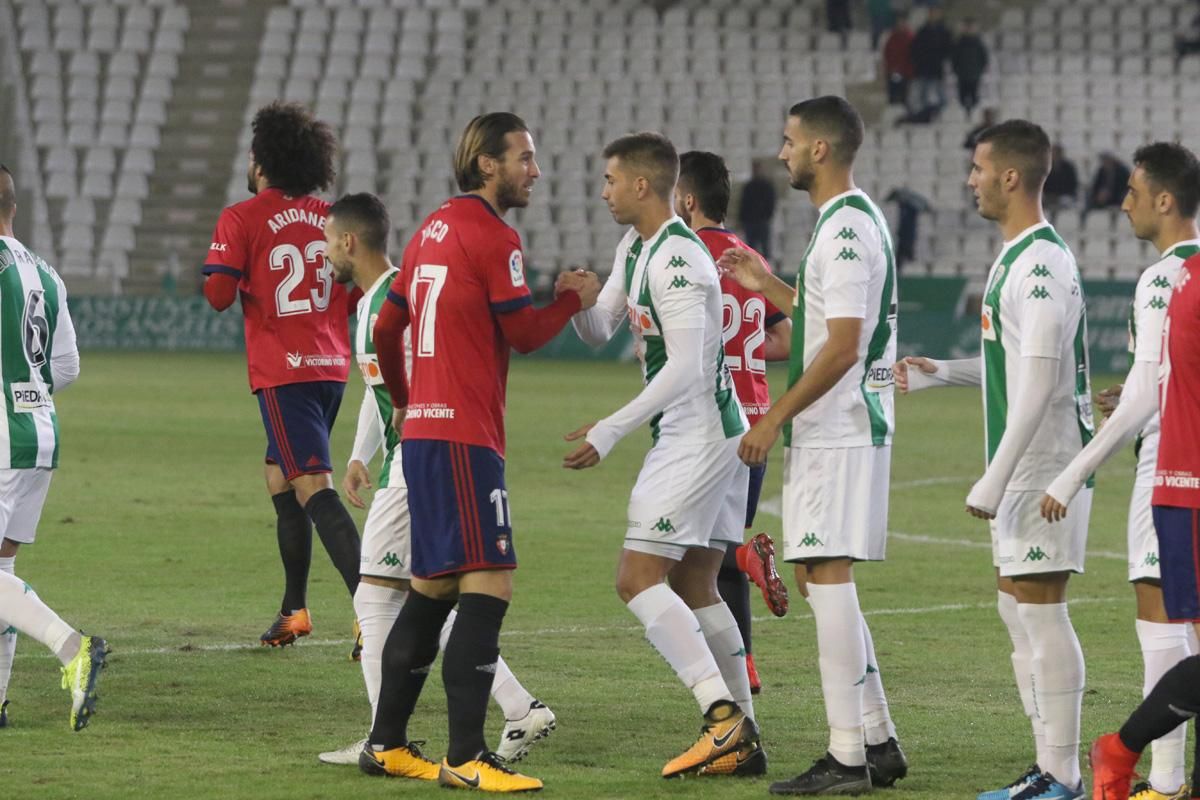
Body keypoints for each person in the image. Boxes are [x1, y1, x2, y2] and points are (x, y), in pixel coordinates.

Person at [363, 112, 597, 793]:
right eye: (524, 157)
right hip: (466, 437)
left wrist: (404, 400)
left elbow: (386, 325)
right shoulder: (495, 236)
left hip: (427, 434)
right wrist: (567, 301)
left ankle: (385, 743)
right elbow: (522, 333)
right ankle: (466, 757)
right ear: (486, 163)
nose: (535, 169)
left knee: (431, 590)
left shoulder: (429, 228)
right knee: (489, 583)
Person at [314, 193, 556, 767]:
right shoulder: (377, 302)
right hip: (414, 460)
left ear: (350, 241)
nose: (323, 253)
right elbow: (384, 393)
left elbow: (415, 383)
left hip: (421, 465)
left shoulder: (395, 301)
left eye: (327, 242)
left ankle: (384, 739)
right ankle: (512, 708)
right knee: (428, 594)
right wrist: (357, 454)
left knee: (392, 596)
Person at [895, 119, 1092, 800]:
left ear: (1011, 176)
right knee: (1017, 612)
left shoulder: (1038, 264)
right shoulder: (1017, 255)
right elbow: (1016, 367)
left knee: (1040, 611)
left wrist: (995, 477)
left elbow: (1039, 385)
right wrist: (942, 372)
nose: (970, 179)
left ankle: (1063, 774)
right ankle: (1046, 768)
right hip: (1027, 463)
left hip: (1042, 469)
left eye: (979, 168)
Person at [720, 96, 906, 795]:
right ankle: (878, 740)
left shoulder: (847, 228)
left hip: (841, 426)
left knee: (826, 577)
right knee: (817, 577)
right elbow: (831, 317)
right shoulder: (845, 222)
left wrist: (773, 419)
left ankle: (847, 756)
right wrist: (768, 287)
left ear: (821, 150)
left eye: (791, 140)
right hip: (836, 426)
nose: (782, 151)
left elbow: (844, 344)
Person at [564, 132, 764, 779]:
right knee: (695, 581)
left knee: (636, 577)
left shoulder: (679, 258)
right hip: (708, 430)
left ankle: (722, 718)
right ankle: (746, 736)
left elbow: (685, 367)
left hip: (700, 433)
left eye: (610, 180)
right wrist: (577, 303)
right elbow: (601, 327)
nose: (604, 192)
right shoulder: (637, 246)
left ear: (643, 186)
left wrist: (611, 429)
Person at [1041, 143, 1200, 800]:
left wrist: (1069, 474)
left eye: (1133, 192)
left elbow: (1144, 394)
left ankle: (1152, 769)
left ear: (1165, 200)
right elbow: (1151, 384)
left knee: (1162, 619)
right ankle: (1163, 776)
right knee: (1174, 624)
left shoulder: (1165, 278)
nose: (1124, 202)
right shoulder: (1181, 277)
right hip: (1180, 469)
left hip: (1173, 472)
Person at [202, 101, 362, 648]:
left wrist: (247, 275)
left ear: (263, 163)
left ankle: (374, 611)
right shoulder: (333, 218)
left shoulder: (242, 216)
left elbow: (218, 295)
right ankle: (294, 609)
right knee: (280, 477)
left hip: (283, 371)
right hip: (331, 369)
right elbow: (360, 290)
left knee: (312, 487)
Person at [675, 151, 793, 697]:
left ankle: (746, 562)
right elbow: (788, 339)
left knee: (687, 554)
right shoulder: (750, 257)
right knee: (721, 548)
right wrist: (744, 348)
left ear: (687, 199)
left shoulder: (687, 258)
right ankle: (743, 666)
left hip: (707, 420)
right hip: (756, 419)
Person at [0, 163, 107, 732]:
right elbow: (65, 365)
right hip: (39, 432)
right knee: (2, 573)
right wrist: (24, 385)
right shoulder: (45, 271)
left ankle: (71, 647)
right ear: (12, 206)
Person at [1090, 248, 1200, 800]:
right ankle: (1138, 760)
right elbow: (1165, 378)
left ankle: (1131, 755)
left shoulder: (1179, 279)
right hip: (1184, 477)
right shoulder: (1182, 281)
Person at [911, 6, 953, 115]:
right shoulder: (922, 31)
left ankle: (940, 114)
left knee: (941, 95)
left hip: (938, 68)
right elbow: (915, 49)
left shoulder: (944, 31)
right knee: (923, 95)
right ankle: (924, 114)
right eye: (931, 13)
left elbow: (948, 49)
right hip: (924, 68)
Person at [738, 160, 777, 259]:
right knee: (750, 250)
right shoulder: (748, 186)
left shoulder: (767, 186)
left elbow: (771, 202)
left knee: (765, 249)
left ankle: (767, 270)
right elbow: (744, 203)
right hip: (750, 222)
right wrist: (743, 219)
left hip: (762, 221)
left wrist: (767, 216)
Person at [951, 18, 989, 117]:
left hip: (974, 75)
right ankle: (965, 113)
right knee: (962, 96)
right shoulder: (958, 43)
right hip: (962, 75)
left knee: (974, 96)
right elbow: (954, 58)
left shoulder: (978, 43)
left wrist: (979, 70)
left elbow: (984, 58)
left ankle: (972, 114)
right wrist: (956, 70)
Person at [1084, 152, 1133, 219]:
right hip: (1104, 198)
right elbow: (1095, 186)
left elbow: (1128, 186)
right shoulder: (1101, 171)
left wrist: (1111, 193)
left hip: (1119, 196)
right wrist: (1099, 193)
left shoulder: (1122, 170)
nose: (1105, 162)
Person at [882, 12, 915, 110]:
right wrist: (890, 68)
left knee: (904, 95)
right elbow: (887, 54)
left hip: (906, 72)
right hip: (893, 71)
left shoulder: (910, 37)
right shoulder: (892, 37)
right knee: (893, 95)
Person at [1044, 145, 1080, 213]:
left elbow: (1072, 184)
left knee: (1065, 202)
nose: (1055, 156)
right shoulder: (1046, 168)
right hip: (1050, 196)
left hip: (1065, 195)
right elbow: (1043, 184)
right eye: (1053, 154)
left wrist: (1059, 194)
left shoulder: (1069, 168)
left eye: (1057, 153)